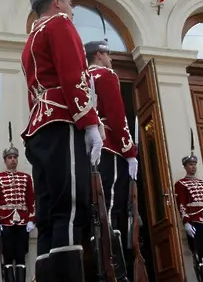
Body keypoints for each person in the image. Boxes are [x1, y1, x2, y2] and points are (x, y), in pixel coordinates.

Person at [21, 0, 104, 281]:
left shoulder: (31, 38)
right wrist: (90, 123)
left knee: (48, 212)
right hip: (62, 122)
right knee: (70, 206)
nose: (72, 10)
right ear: (57, 3)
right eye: (70, 3)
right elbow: (73, 77)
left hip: (39, 127)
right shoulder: (59, 25)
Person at [84, 39, 138, 281]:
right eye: (107, 54)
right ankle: (114, 271)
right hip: (109, 147)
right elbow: (117, 116)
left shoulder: (82, 78)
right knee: (111, 208)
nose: (111, 59)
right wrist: (130, 151)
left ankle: (100, 270)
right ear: (98, 55)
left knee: (96, 210)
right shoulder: (106, 75)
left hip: (88, 150)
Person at [0, 128, 36, 282]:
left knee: (21, 256)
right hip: (5, 221)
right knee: (7, 257)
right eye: (10, 157)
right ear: (5, 160)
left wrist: (32, 219)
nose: (13, 160)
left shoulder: (26, 178)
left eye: (15, 157)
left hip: (23, 222)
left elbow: (31, 200)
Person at [174, 150, 203, 282]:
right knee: (198, 254)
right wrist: (186, 222)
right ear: (185, 167)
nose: (193, 167)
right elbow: (181, 204)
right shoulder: (181, 184)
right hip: (194, 221)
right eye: (190, 164)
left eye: (194, 164)